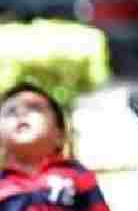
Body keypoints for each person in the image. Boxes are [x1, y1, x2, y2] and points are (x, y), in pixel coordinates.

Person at [0, 82, 110, 210]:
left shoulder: (77, 174)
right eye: (10, 111)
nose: (21, 113)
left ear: (59, 135)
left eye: (34, 107)